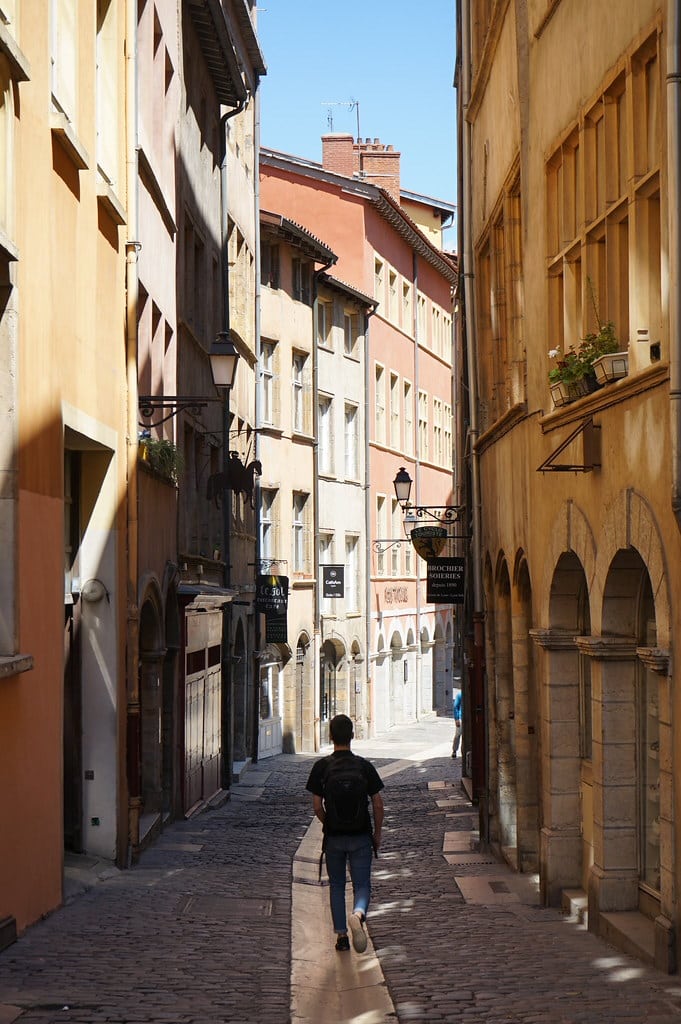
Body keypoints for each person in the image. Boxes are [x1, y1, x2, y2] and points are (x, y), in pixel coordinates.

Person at [306, 714, 384, 953]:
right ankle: (358, 915)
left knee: (337, 885)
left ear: (330, 736)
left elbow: (317, 806)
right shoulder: (364, 766)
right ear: (352, 736)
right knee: (362, 884)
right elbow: (378, 804)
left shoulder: (322, 767)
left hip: (335, 838)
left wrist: (328, 822)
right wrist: (377, 833)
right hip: (360, 835)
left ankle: (341, 935)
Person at [452, 689, 462, 758]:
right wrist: (456, 719)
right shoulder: (460, 695)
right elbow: (455, 706)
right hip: (461, 718)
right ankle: (454, 750)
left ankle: (463, 752)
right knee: (458, 735)